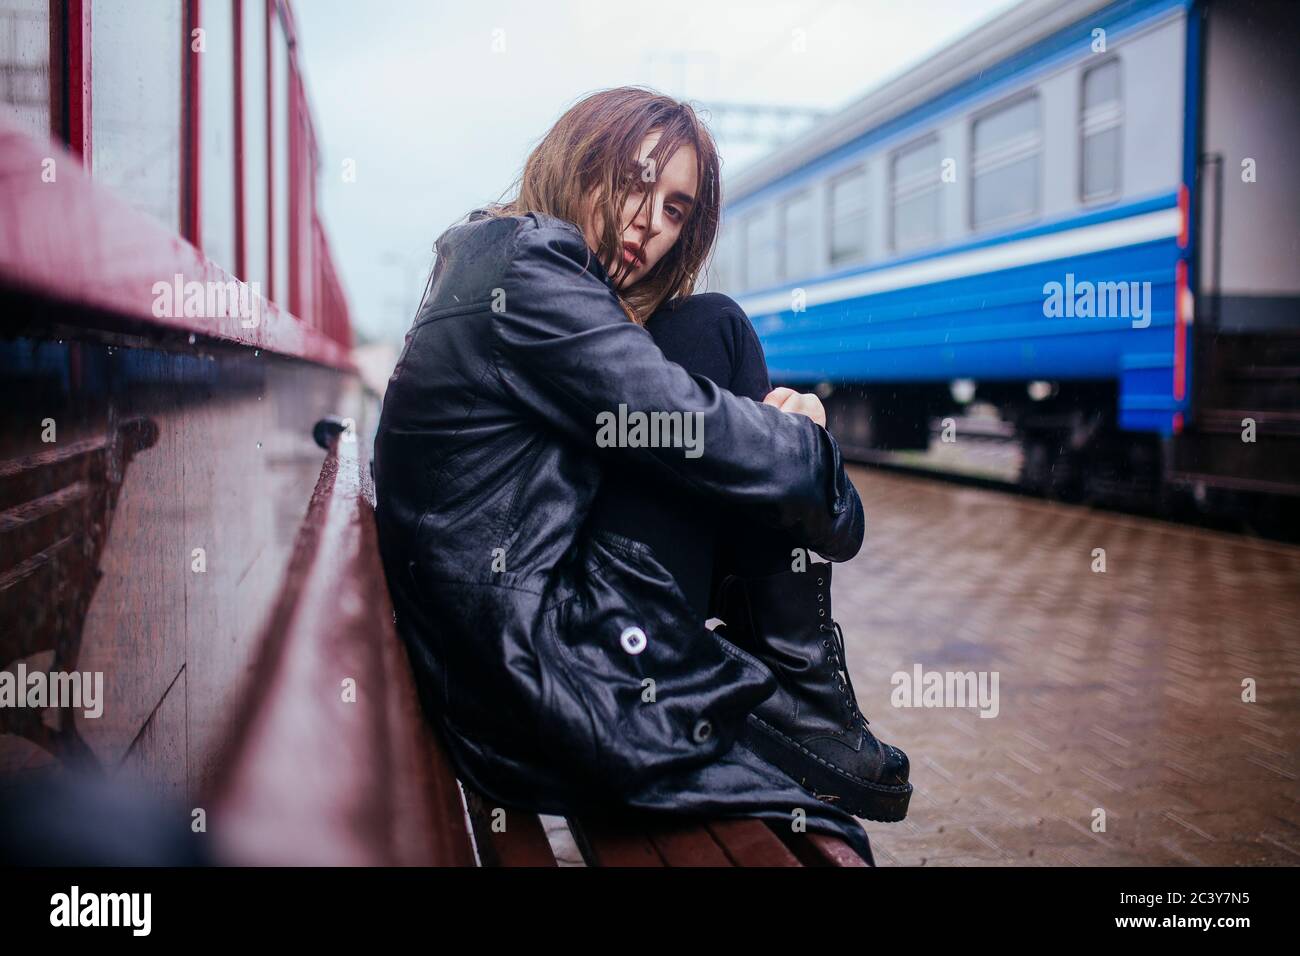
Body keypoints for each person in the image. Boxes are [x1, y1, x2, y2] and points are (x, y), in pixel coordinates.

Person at [373, 86, 910, 861]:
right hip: (540, 677)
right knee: (717, 356)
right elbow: (679, 418)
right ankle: (803, 692)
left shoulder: (505, 260)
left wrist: (776, 439)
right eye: (632, 182)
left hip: (516, 652)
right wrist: (807, 449)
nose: (647, 224)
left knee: (707, 326)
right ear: (577, 161)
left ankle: (798, 691)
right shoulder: (523, 263)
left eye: (675, 210)